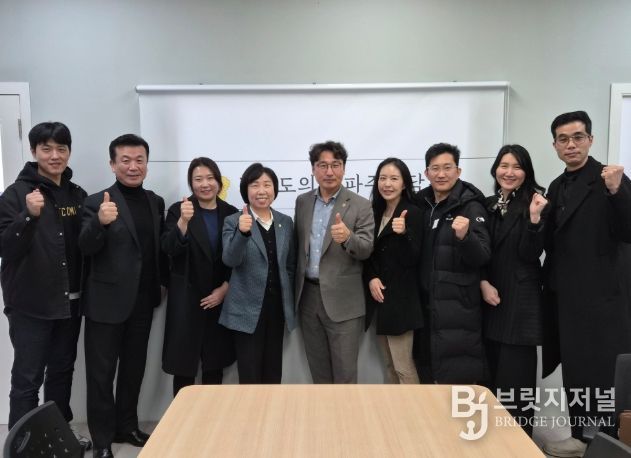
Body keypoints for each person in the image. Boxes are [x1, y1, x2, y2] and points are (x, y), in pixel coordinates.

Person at [542, 111, 631, 457]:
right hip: (568, 298)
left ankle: (606, 441)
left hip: (604, 298)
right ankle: (581, 436)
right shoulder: (556, 186)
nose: (571, 145)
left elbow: (628, 230)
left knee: (605, 373)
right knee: (576, 370)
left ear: (590, 140)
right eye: (563, 139)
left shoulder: (610, 178)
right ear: (555, 145)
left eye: (578, 137)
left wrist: (617, 191)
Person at [0, 122, 91, 450]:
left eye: (61, 149)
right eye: (47, 149)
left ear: (69, 152)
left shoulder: (77, 195)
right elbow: (6, 247)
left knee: (62, 373)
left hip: (70, 303)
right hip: (31, 304)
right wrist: (28, 215)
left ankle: (58, 438)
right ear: (34, 151)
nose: (55, 156)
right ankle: (20, 448)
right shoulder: (15, 195)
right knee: (27, 379)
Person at [79, 134, 166, 458]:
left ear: (147, 164)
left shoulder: (155, 201)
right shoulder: (96, 202)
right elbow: (85, 247)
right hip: (105, 304)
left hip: (143, 302)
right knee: (101, 376)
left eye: (139, 160)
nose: (133, 166)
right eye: (125, 160)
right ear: (112, 164)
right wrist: (100, 223)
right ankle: (102, 440)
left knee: (133, 370)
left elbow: (153, 250)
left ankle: (126, 426)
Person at [479, 145, 548, 436]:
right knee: (489, 385)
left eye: (517, 167)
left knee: (516, 389)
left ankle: (518, 446)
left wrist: (534, 219)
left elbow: (531, 254)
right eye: (504, 165)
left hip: (519, 306)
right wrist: (482, 281)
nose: (509, 172)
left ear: (526, 172)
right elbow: (479, 252)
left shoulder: (537, 202)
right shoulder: (488, 204)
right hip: (489, 303)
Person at [294, 141, 374, 384]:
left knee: (345, 375)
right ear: (313, 169)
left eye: (335, 165)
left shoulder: (361, 204)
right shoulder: (302, 201)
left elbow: (366, 249)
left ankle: (347, 412)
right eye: (323, 165)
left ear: (344, 168)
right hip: (308, 297)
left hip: (344, 302)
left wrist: (348, 238)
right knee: (318, 373)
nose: (329, 171)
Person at [414, 142, 490, 384]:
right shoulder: (421, 203)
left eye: (447, 168)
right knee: (426, 377)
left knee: (458, 379)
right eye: (435, 168)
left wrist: (465, 237)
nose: (441, 174)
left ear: (458, 171)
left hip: (458, 309)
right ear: (426, 173)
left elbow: (482, 256)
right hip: (426, 307)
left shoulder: (471, 205)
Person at [161, 157, 238, 396]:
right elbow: (169, 248)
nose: (205, 184)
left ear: (219, 182)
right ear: (191, 183)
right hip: (186, 299)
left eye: (210, 178)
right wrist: (183, 222)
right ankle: (182, 417)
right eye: (198, 179)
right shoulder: (179, 210)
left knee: (214, 367)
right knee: (184, 368)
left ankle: (213, 417)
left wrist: (225, 288)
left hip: (218, 300)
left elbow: (237, 257)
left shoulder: (231, 213)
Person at [219, 163, 295, 383]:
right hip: (246, 310)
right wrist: (242, 233)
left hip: (277, 309)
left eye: (267, 185)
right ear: (246, 190)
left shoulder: (285, 222)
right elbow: (230, 260)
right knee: (249, 375)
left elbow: (290, 266)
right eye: (255, 185)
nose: (262, 191)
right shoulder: (234, 220)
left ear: (275, 189)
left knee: (273, 372)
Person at [364, 158, 423, 384]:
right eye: (383, 178)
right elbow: (368, 254)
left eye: (394, 178)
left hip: (402, 302)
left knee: (403, 367)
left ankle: (414, 408)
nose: (387, 184)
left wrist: (404, 234)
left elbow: (414, 258)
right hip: (380, 301)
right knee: (389, 366)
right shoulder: (374, 211)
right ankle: (394, 408)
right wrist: (371, 278)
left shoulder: (413, 212)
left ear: (404, 183)